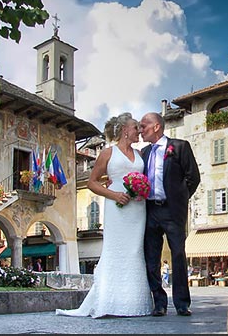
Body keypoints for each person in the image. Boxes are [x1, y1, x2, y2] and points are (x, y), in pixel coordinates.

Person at [56, 113, 153, 318]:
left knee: (135, 250)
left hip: (137, 208)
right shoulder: (108, 153)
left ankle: (134, 302)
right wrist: (114, 194)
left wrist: (141, 190)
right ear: (125, 130)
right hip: (116, 207)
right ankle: (111, 300)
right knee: (115, 249)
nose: (139, 131)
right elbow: (92, 182)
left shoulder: (140, 154)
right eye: (136, 127)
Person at [139, 112, 200, 317]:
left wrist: (179, 200)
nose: (140, 130)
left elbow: (193, 177)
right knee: (151, 258)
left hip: (172, 210)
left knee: (178, 255)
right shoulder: (144, 152)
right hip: (150, 210)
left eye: (143, 126)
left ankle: (182, 303)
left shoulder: (180, 147)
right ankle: (159, 302)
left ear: (156, 127)